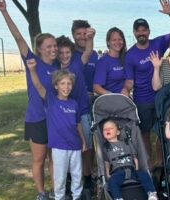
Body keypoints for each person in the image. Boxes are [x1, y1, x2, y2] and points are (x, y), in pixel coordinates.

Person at [0, 1, 56, 199]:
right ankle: (41, 193)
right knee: (39, 158)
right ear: (39, 49)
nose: (53, 49)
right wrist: (5, 12)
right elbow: (18, 37)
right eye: (49, 46)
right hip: (37, 118)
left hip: (55, 119)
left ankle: (57, 192)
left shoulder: (59, 67)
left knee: (53, 158)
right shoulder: (32, 61)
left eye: (55, 45)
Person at [123, 0, 170, 167]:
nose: (141, 33)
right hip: (142, 101)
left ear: (149, 31)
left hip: (160, 97)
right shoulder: (130, 55)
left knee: (162, 132)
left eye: (144, 30)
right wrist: (125, 91)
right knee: (144, 133)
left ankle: (161, 162)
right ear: (134, 32)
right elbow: (130, 81)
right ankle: (148, 163)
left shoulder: (158, 43)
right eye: (138, 30)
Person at [27, 59, 87, 200]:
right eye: (62, 84)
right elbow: (38, 85)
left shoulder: (74, 104)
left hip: (75, 146)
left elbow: (77, 123)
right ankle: (59, 197)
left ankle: (77, 196)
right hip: (59, 147)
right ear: (56, 86)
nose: (66, 87)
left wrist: (83, 141)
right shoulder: (51, 101)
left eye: (69, 83)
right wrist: (33, 71)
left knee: (77, 174)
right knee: (59, 177)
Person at [71, 19, 99, 190]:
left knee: (92, 142)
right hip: (76, 103)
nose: (82, 37)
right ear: (73, 35)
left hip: (94, 102)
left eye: (84, 33)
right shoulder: (68, 54)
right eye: (78, 34)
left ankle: (90, 173)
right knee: (81, 143)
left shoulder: (95, 54)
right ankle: (83, 176)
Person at [102, 118, 158, 200]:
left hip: (131, 169)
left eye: (110, 128)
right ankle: (118, 198)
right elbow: (106, 161)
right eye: (105, 129)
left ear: (118, 132)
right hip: (118, 171)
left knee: (144, 174)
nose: (107, 130)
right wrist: (107, 173)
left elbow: (134, 156)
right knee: (112, 182)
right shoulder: (106, 147)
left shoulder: (127, 143)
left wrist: (137, 167)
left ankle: (152, 193)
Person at [93, 27, 128, 95]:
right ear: (108, 42)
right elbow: (96, 87)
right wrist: (113, 96)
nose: (117, 42)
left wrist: (126, 89)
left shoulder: (126, 58)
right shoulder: (103, 62)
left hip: (125, 100)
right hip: (110, 101)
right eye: (114, 40)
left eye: (120, 39)